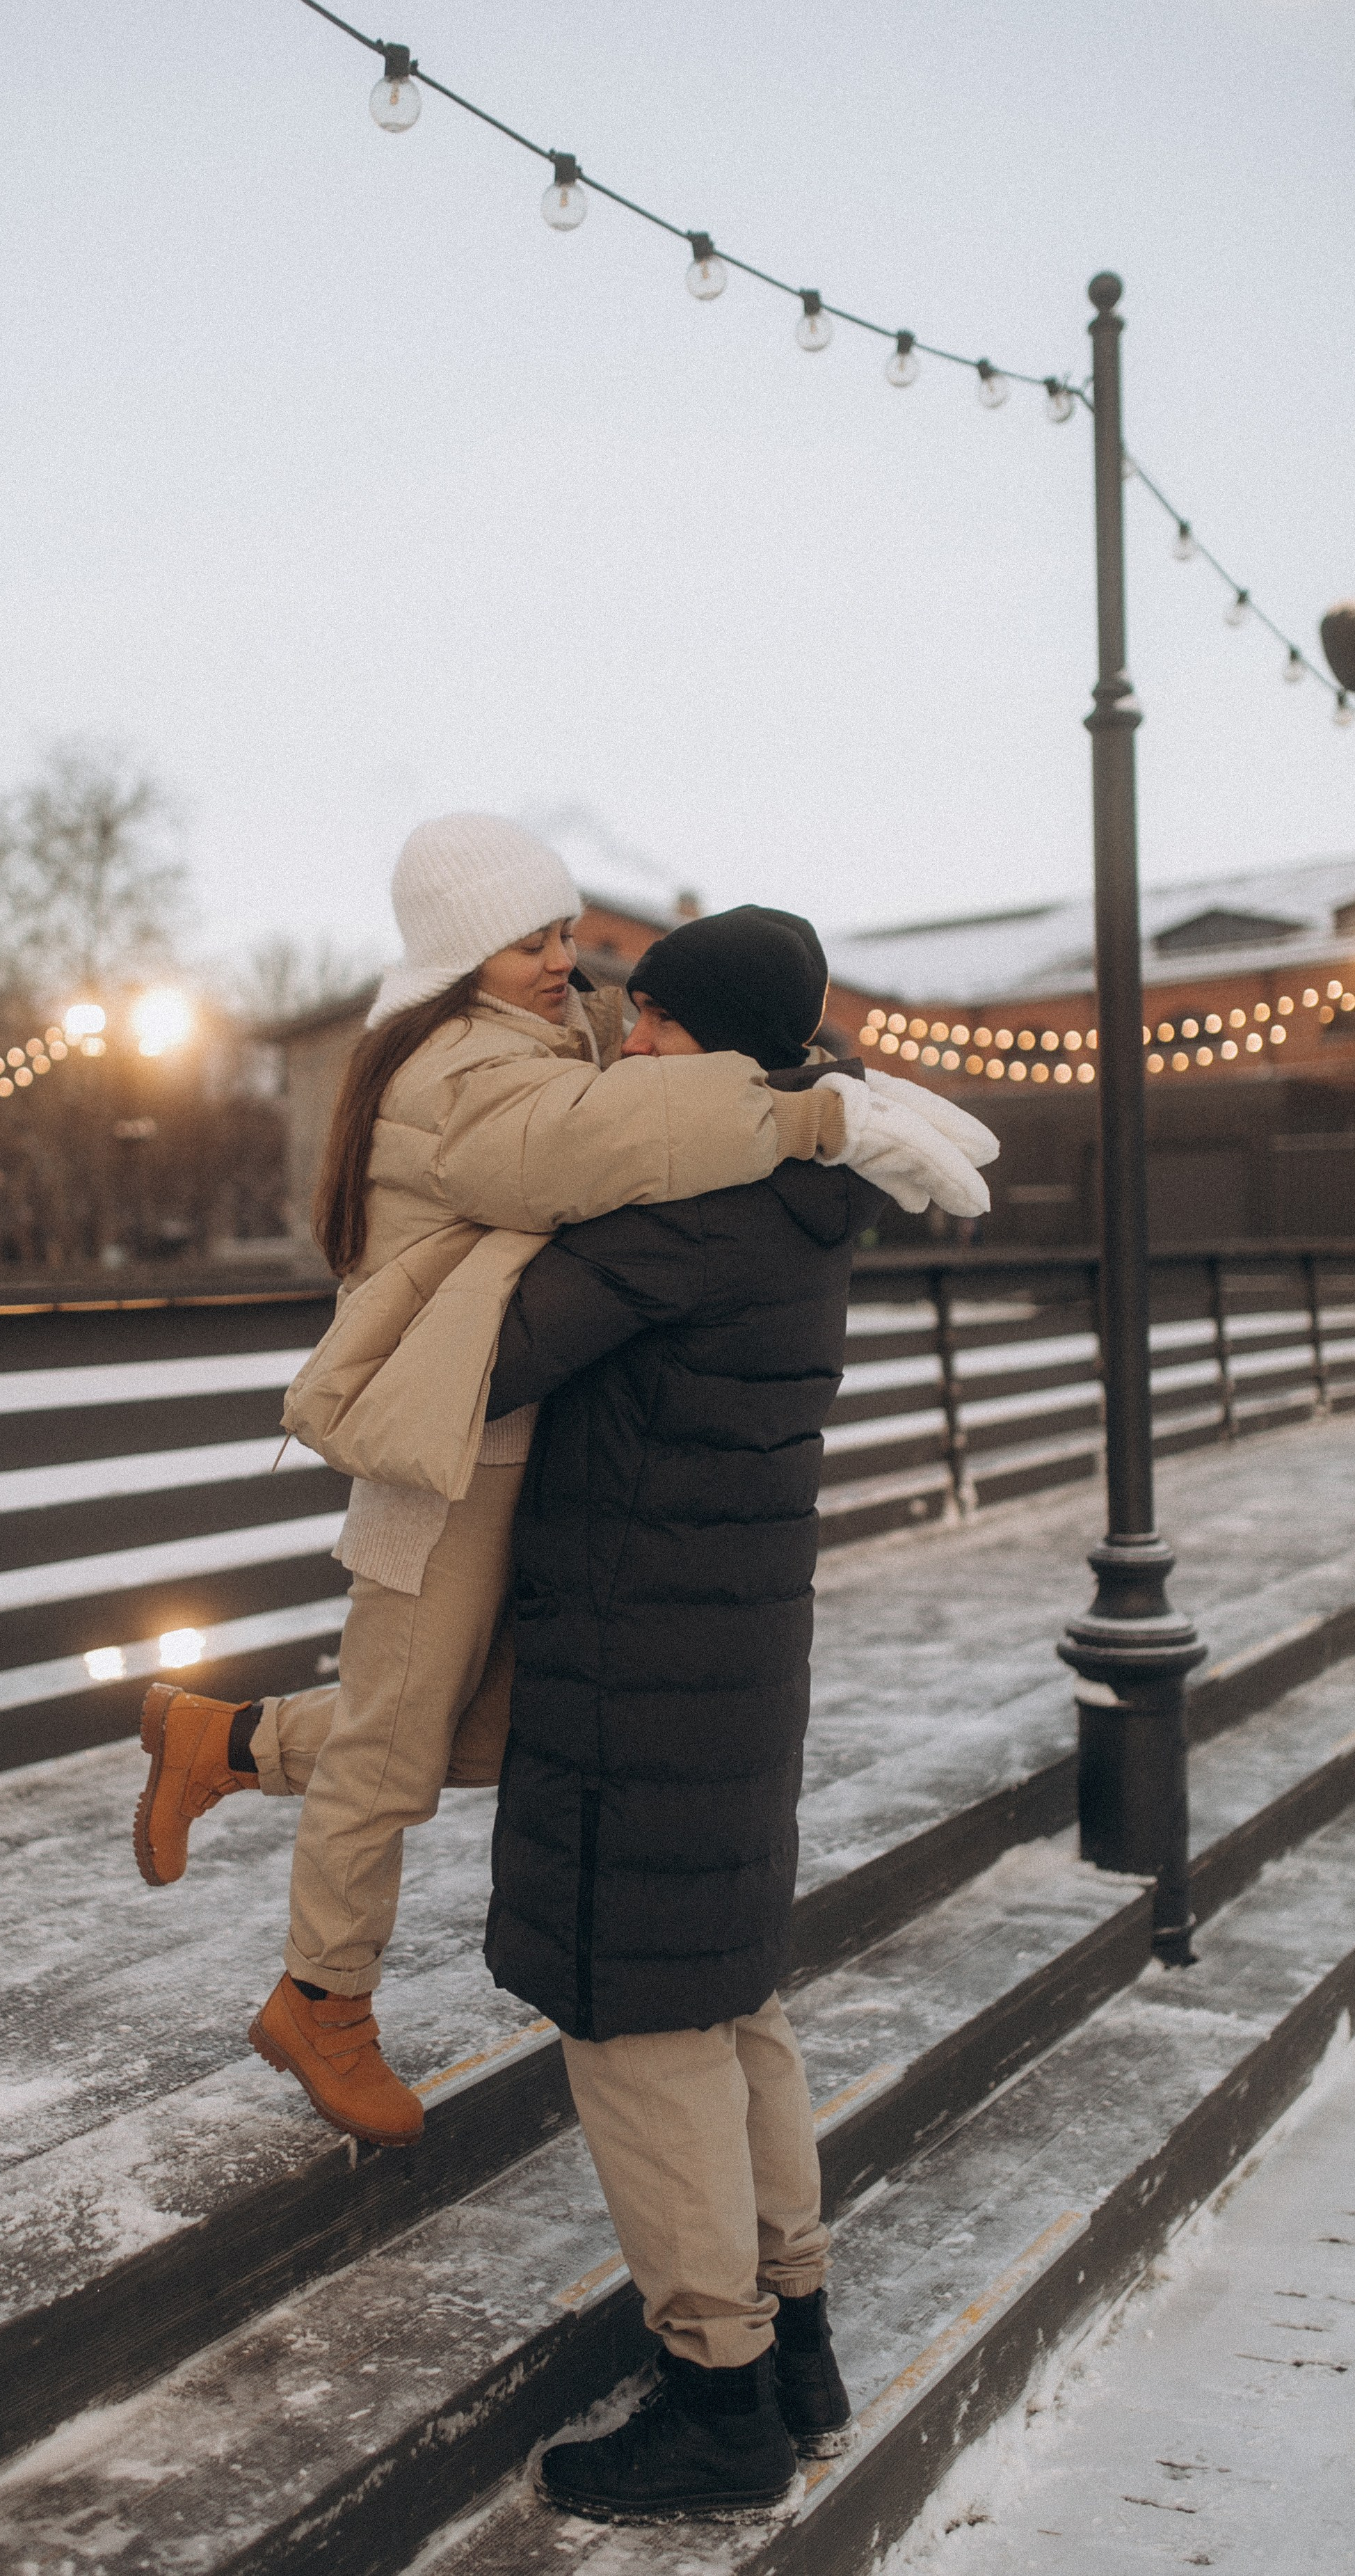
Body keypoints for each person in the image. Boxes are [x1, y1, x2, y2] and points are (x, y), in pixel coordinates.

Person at [131, 819, 993, 2156]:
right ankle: (321, 1999)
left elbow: (661, 1067)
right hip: (451, 1447)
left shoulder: (532, 1036)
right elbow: (599, 1145)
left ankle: (222, 1745)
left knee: (482, 1731)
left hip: (515, 1422)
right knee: (395, 1751)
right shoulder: (458, 1070)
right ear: (462, 954)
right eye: (533, 941)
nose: (564, 961)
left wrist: (806, 1064)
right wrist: (814, 1114)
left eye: (566, 932)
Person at [478, 904, 983, 2522]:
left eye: (650, 1020)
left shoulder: (690, 1201)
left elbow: (487, 1355)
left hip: (639, 1663)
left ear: (697, 1037)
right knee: (733, 2002)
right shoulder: (803, 1189)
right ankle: (799, 2341)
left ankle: (717, 2399)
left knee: (638, 2030)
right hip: (728, 1656)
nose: (626, 1038)